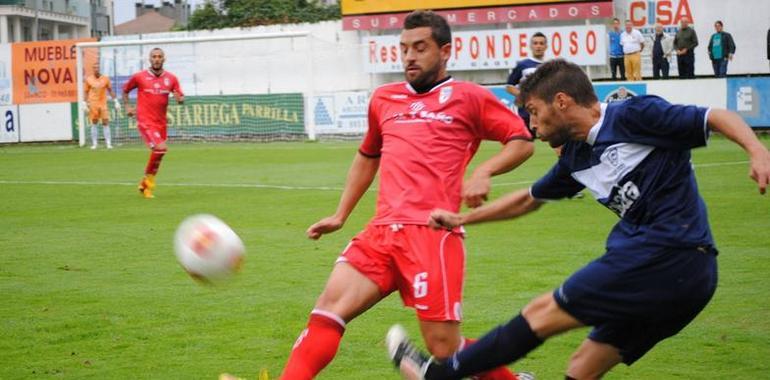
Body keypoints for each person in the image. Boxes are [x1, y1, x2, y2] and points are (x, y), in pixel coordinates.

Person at [386, 59, 770, 380]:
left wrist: (756, 149)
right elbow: (528, 200)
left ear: (562, 101)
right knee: (583, 366)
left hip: (669, 254)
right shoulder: (575, 158)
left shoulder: (635, 114)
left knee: (542, 313)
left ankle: (441, 374)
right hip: (686, 279)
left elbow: (714, 116)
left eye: (534, 113)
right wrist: (459, 219)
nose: (532, 127)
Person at [279, 10, 534, 380]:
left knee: (443, 348)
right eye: (403, 49)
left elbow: (522, 141)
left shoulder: (469, 97)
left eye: (420, 47)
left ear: (446, 51)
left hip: (432, 234)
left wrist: (483, 171)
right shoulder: (384, 98)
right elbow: (368, 156)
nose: (409, 56)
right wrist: (340, 214)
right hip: (381, 233)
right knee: (327, 311)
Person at [122, 48, 184, 199]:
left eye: (159, 57)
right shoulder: (139, 77)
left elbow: (180, 97)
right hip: (145, 121)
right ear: (149, 59)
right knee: (160, 148)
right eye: (154, 57)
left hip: (161, 123)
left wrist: (180, 99)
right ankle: (148, 185)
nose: (156, 59)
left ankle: (144, 185)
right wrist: (128, 106)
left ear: (164, 59)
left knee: (160, 152)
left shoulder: (171, 78)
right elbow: (125, 91)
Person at [506, 32, 547, 137]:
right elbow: (509, 86)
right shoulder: (523, 65)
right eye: (536, 43)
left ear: (546, 46)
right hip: (526, 112)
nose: (538, 46)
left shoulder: (549, 66)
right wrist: (524, 96)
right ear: (531, 46)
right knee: (526, 142)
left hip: (545, 111)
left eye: (541, 43)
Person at [83, 62, 119, 149]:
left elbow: (110, 90)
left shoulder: (105, 79)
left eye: (97, 67)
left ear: (99, 68)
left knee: (105, 122)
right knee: (94, 123)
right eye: (94, 68)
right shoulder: (89, 79)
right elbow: (86, 91)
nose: (96, 69)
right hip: (93, 103)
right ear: (93, 69)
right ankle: (94, 144)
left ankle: (108, 143)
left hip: (103, 103)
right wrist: (84, 102)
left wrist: (116, 101)